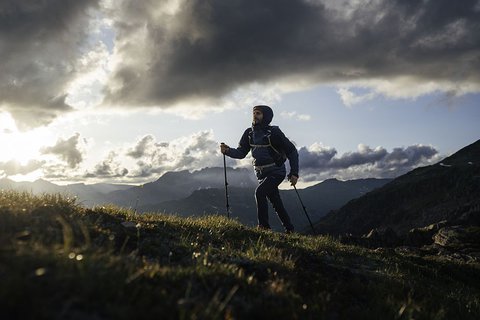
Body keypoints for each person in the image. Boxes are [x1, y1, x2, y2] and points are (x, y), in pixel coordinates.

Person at [220, 105, 299, 233]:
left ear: (266, 116)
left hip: (276, 171)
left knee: (260, 192)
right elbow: (241, 153)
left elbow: (292, 151)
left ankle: (264, 228)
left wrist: (294, 173)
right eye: (254, 113)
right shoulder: (249, 133)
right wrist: (228, 151)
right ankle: (290, 230)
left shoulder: (274, 133)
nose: (255, 116)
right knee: (276, 202)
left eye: (258, 113)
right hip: (260, 174)